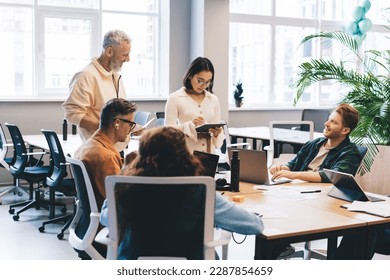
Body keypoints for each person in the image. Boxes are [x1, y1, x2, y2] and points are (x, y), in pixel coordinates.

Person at [100, 126, 263, 259]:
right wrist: (213, 218)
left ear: (141, 156)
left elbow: (105, 217)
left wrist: (123, 176)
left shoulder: (128, 187)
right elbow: (255, 226)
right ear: (184, 155)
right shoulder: (200, 190)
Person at [63, 30, 131, 146]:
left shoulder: (115, 75)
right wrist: (105, 128)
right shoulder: (86, 75)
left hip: (115, 149)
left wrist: (129, 127)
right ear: (110, 51)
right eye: (125, 54)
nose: (128, 59)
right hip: (97, 150)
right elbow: (72, 114)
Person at [269, 103, 362, 183]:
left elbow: (332, 176)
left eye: (333, 122)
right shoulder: (314, 144)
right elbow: (294, 164)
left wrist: (292, 175)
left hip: (320, 194)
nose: (326, 123)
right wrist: (282, 168)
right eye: (329, 119)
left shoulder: (350, 153)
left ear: (345, 130)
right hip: (298, 189)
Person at [74, 98, 137, 210]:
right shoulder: (107, 157)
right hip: (108, 221)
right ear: (117, 123)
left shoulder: (86, 147)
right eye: (131, 124)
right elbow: (119, 200)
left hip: (90, 218)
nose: (131, 129)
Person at [164, 57, 225, 154]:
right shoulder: (175, 98)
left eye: (208, 82)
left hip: (209, 156)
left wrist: (217, 133)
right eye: (200, 80)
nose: (203, 85)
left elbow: (217, 140)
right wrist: (190, 125)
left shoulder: (213, 99)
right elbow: (167, 131)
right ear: (190, 76)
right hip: (185, 155)